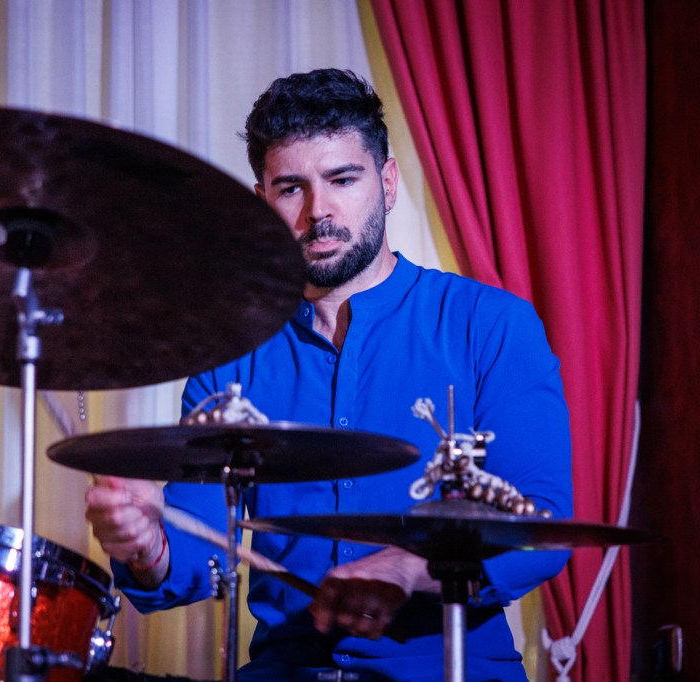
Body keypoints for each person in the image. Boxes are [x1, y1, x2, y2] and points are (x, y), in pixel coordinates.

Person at [85, 68, 572, 681]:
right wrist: (147, 544)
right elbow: (198, 554)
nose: (319, 211)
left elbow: (543, 526)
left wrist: (408, 567)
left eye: (343, 179)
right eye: (291, 188)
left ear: (387, 184)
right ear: (262, 202)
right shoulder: (231, 353)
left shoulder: (491, 324)